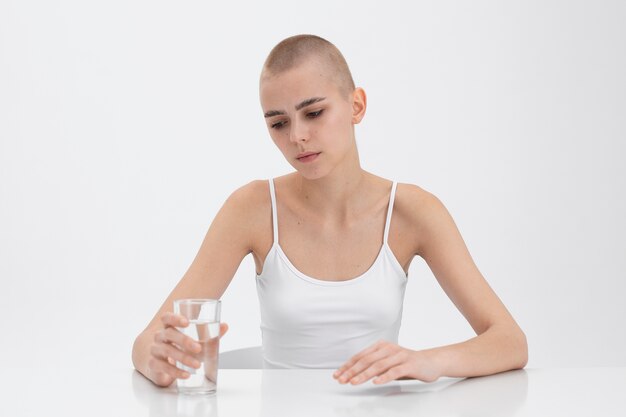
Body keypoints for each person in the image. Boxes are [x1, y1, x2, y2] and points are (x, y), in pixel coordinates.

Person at [131, 34, 528, 388]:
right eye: (278, 123)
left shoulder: (413, 211)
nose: (297, 136)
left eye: (314, 113)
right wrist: (159, 361)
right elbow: (145, 343)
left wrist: (429, 361)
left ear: (356, 106)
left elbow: (509, 341)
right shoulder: (251, 209)